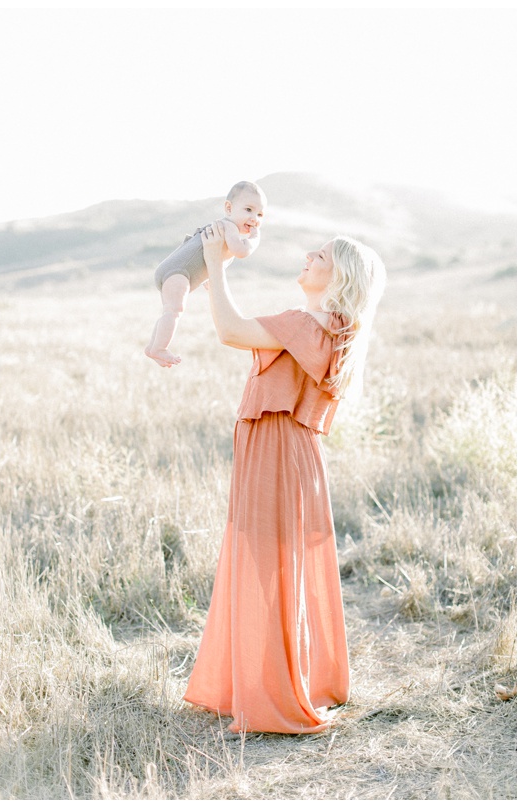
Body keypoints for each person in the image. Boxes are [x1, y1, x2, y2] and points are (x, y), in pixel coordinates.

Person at [182, 221, 385, 734]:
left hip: (278, 449)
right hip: (279, 448)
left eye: (319, 256)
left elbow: (231, 331)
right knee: (274, 567)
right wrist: (215, 270)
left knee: (267, 568)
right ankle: (273, 678)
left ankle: (271, 690)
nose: (307, 258)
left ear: (338, 275)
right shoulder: (326, 326)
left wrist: (214, 264)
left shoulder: (310, 324)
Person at [145, 181, 266, 367]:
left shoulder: (223, 230)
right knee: (174, 311)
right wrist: (255, 238)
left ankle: (153, 348)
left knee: (168, 312)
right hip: (178, 272)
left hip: (172, 270)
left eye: (259, 214)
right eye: (248, 210)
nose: (254, 218)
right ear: (229, 208)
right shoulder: (229, 227)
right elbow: (242, 251)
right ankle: (159, 348)